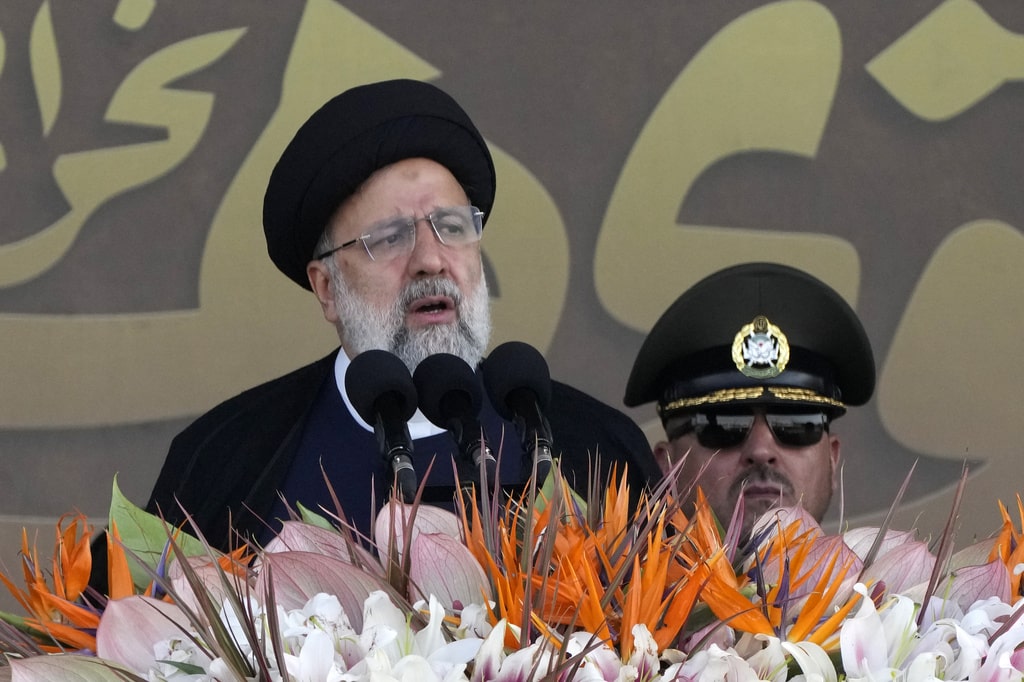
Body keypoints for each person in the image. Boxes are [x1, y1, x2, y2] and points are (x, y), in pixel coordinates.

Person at [143, 79, 659, 551]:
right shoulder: (226, 458)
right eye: (390, 238)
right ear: (326, 288)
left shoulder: (594, 445)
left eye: (453, 226)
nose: (431, 260)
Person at [623, 262, 875, 538]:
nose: (761, 450)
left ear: (832, 458)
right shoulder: (598, 583)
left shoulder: (894, 584)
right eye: (722, 426)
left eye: (797, 424)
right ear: (667, 466)